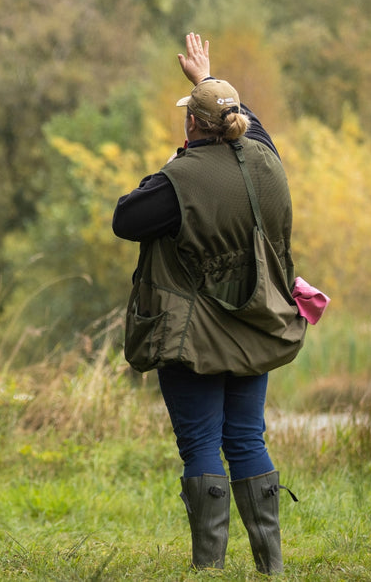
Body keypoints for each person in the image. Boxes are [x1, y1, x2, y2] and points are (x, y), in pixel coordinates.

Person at [112, 33, 303, 574]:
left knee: (200, 444)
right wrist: (207, 82)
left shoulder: (179, 181)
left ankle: (208, 569)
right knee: (245, 437)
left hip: (193, 336)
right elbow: (249, 123)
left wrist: (179, 159)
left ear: (192, 126)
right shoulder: (268, 160)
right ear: (235, 119)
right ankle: (271, 567)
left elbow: (125, 218)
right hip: (258, 325)